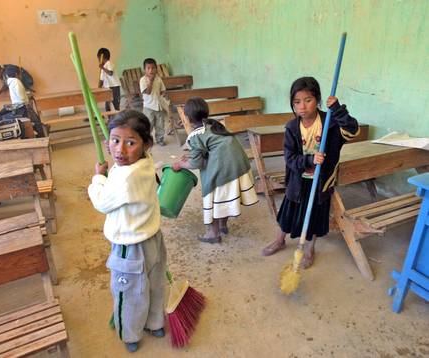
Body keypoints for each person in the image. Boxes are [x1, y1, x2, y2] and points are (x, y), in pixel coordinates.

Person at [88, 110, 167, 353]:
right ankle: (155, 324)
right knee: (155, 284)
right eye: (115, 140)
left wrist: (99, 178)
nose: (120, 150)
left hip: (128, 248)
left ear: (146, 144)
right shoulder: (146, 163)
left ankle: (130, 333)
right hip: (153, 239)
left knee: (129, 293)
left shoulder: (123, 178)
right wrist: (112, 169)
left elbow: (101, 202)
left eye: (130, 142)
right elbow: (123, 166)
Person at [261, 76, 359, 268]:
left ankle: (309, 249)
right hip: (298, 180)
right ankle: (280, 240)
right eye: (297, 102)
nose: (302, 107)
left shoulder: (330, 122)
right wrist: (309, 160)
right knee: (287, 214)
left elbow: (353, 130)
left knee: (313, 216)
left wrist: (337, 109)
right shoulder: (292, 127)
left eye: (308, 100)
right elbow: (289, 158)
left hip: (321, 181)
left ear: (318, 100)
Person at [172, 97, 259, 243]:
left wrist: (180, 165)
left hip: (225, 167)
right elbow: (210, 147)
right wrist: (189, 157)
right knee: (223, 197)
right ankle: (223, 225)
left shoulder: (195, 135)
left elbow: (196, 163)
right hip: (239, 163)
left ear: (187, 118)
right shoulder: (213, 124)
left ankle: (213, 233)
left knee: (212, 196)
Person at [139, 58, 168, 146]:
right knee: (148, 124)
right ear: (145, 70)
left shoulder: (158, 79)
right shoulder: (143, 80)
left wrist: (163, 94)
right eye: (148, 68)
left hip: (158, 106)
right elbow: (147, 92)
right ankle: (146, 140)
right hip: (148, 107)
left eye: (153, 68)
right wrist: (150, 81)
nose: (151, 70)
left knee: (160, 124)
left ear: (156, 69)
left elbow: (163, 90)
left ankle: (160, 139)